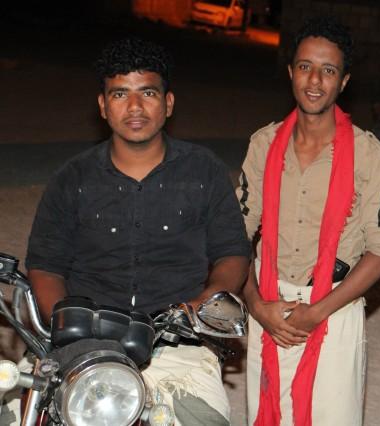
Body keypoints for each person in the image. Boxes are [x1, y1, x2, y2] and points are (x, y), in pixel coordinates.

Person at [3, 38, 250, 426]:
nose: (135, 107)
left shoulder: (204, 171)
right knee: (15, 412)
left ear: (168, 103)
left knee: (207, 421)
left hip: (175, 343)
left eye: (147, 92)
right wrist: (67, 325)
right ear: (103, 106)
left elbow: (232, 253)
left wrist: (203, 305)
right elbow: (46, 265)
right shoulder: (73, 178)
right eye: (120, 94)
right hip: (84, 337)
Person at [237, 16, 380, 426]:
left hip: (334, 307)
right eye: (305, 66)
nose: (315, 80)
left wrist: (316, 312)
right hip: (269, 305)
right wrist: (256, 305)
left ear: (344, 81)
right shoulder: (264, 144)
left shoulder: (367, 154)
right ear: (290, 72)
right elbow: (234, 235)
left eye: (328, 70)